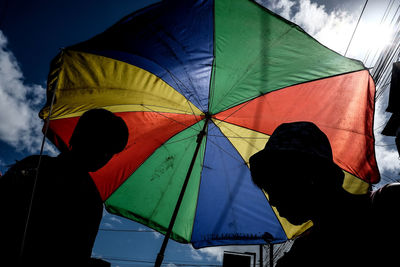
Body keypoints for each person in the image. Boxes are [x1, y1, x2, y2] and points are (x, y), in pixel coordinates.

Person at [0, 108, 129, 266]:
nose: (105, 156)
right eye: (101, 144)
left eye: (111, 151)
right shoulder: (35, 166)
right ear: (80, 136)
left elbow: (76, 253)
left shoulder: (91, 201)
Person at [249, 121, 373, 267]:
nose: (272, 201)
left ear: (310, 175)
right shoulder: (299, 255)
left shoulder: (387, 205)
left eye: (275, 187)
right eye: (268, 190)